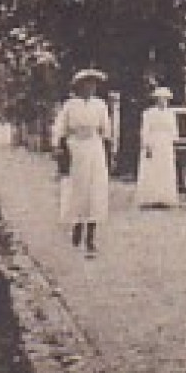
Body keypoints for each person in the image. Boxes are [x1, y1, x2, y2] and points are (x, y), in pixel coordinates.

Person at [53, 68, 113, 257]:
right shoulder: (71, 105)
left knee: (96, 188)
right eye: (86, 85)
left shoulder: (100, 105)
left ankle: (91, 234)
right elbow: (60, 128)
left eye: (93, 85)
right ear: (79, 87)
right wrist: (59, 147)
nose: (90, 88)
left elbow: (106, 130)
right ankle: (77, 225)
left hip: (94, 148)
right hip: (76, 148)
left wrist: (109, 148)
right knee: (79, 188)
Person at [135, 86, 181, 208]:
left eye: (165, 99)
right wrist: (147, 145)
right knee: (152, 169)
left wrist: (172, 141)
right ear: (156, 100)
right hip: (153, 142)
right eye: (160, 99)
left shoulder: (171, 114)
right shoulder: (149, 113)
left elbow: (174, 131)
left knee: (165, 169)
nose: (163, 101)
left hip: (166, 144)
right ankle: (151, 197)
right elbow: (145, 130)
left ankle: (165, 198)